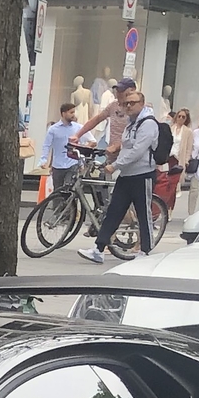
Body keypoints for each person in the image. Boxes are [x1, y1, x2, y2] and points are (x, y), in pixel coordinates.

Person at [78, 82, 157, 264]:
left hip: (142, 174)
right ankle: (98, 248)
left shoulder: (148, 124)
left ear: (142, 104)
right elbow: (126, 144)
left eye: (133, 103)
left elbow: (138, 150)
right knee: (114, 211)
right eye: (127, 103)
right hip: (127, 175)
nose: (128, 106)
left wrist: (116, 165)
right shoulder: (131, 123)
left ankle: (145, 251)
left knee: (143, 213)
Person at [41, 99, 83, 198]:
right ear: (64, 113)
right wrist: (44, 160)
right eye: (71, 112)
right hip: (58, 165)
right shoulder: (53, 129)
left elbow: (90, 141)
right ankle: (58, 212)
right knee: (57, 191)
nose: (74, 115)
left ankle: (69, 212)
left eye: (74, 112)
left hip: (72, 164)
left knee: (69, 189)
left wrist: (81, 160)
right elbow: (47, 145)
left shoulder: (78, 128)